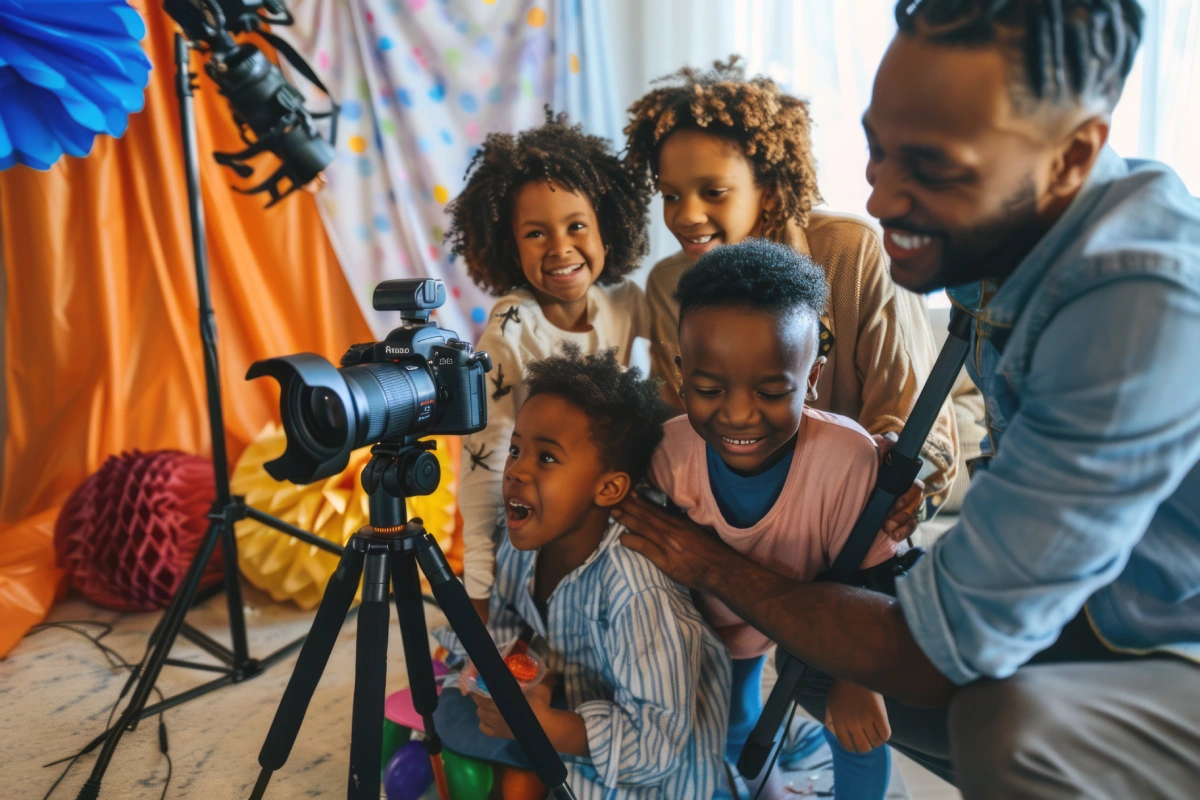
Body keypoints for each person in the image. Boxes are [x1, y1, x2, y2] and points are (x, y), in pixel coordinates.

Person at [615, 2, 1200, 798]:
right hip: (1102, 595)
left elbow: (934, 646)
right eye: (879, 150)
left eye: (932, 166)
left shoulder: (1131, 310)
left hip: (1170, 636)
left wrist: (707, 560)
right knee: (821, 660)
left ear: (1072, 155)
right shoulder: (1000, 240)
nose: (883, 196)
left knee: (1008, 731)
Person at [623, 56, 962, 516]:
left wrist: (881, 488)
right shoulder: (668, 283)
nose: (685, 216)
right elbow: (680, 421)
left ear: (768, 187)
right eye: (671, 196)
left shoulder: (851, 250)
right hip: (735, 507)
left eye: (714, 192)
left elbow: (908, 417)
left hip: (850, 502)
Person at [649, 239, 897, 799]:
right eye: (710, 389)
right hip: (722, 619)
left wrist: (858, 679)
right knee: (731, 720)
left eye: (770, 390)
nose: (738, 413)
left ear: (812, 378)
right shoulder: (667, 451)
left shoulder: (846, 457)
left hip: (824, 605)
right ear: (681, 373)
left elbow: (871, 579)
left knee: (860, 729)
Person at [432, 346, 732, 799]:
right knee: (446, 711)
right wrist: (504, 657)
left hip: (654, 776)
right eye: (516, 450)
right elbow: (513, 614)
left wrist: (549, 727)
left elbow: (659, 744)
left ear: (609, 488)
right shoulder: (522, 543)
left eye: (547, 458)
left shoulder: (638, 592)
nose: (516, 471)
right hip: (567, 703)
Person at [446, 111, 651, 623]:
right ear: (511, 248)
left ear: (608, 230)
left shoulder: (627, 302)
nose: (560, 248)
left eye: (577, 226)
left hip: (609, 505)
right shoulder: (510, 332)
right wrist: (478, 578)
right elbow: (485, 454)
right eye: (536, 234)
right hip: (541, 525)